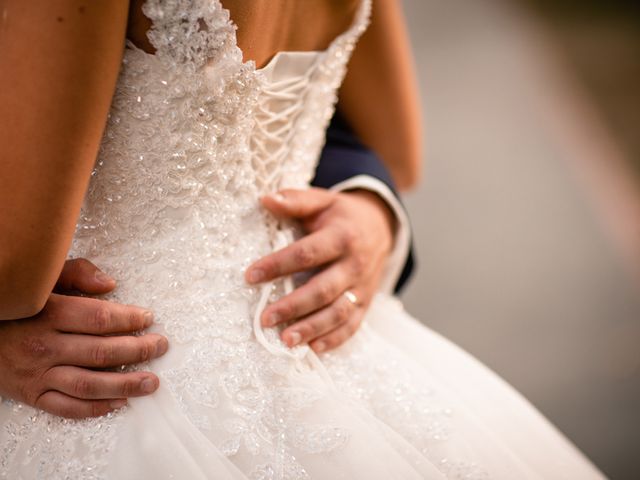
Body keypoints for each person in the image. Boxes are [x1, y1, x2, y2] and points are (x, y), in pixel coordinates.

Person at [0, 1, 604, 478]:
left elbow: (14, 271)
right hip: (299, 339)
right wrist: (373, 196)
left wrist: (369, 212)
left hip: (127, 373)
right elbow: (397, 153)